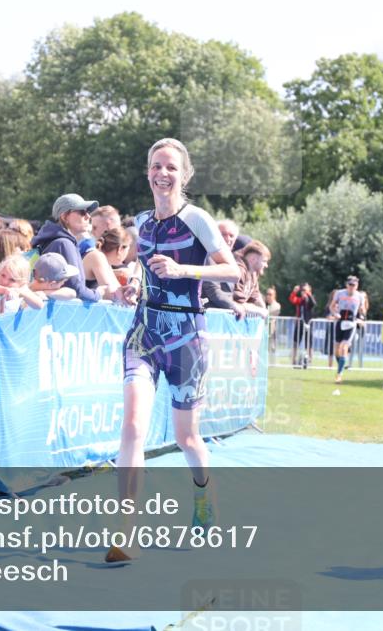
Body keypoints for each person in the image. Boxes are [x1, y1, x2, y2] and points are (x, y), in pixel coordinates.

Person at [107, 138, 239, 563]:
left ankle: (204, 495)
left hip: (186, 337)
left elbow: (232, 271)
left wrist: (184, 269)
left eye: (170, 167)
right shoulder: (143, 222)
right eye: (156, 166)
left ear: (184, 175)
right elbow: (142, 268)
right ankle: (126, 531)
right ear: (147, 171)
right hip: (144, 332)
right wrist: (131, 286)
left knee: (187, 437)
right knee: (132, 426)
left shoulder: (196, 218)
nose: (162, 174)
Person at [29, 193, 105, 301]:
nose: (88, 216)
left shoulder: (54, 240)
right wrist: (98, 294)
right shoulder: (64, 244)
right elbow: (76, 289)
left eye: (88, 212)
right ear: (64, 216)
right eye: (82, 212)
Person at [329, 276, 364, 384]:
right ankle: (341, 365)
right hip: (339, 323)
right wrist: (335, 313)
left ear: (357, 286)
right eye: (350, 284)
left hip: (351, 324)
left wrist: (361, 318)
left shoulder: (360, 296)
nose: (351, 287)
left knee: (344, 348)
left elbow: (362, 310)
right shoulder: (339, 293)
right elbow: (331, 306)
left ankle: (339, 374)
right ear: (346, 284)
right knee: (337, 350)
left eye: (354, 285)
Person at [83, 226, 127, 292]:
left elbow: (117, 290)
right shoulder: (97, 256)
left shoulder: (105, 261)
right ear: (120, 249)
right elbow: (111, 293)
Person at [289, 282, 316, 368]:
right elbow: (292, 300)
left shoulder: (310, 299)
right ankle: (293, 361)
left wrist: (308, 294)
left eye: (305, 290)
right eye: (302, 290)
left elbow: (313, 303)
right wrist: (294, 292)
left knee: (309, 344)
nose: (303, 292)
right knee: (295, 342)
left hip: (308, 324)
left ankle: (310, 361)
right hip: (299, 323)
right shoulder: (300, 300)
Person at [265, 286, 281, 356]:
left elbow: (270, 314)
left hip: (271, 330)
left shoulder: (277, 305)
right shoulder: (263, 304)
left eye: (270, 294)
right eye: (267, 294)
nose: (268, 296)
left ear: (274, 296)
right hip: (263, 329)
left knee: (272, 348)